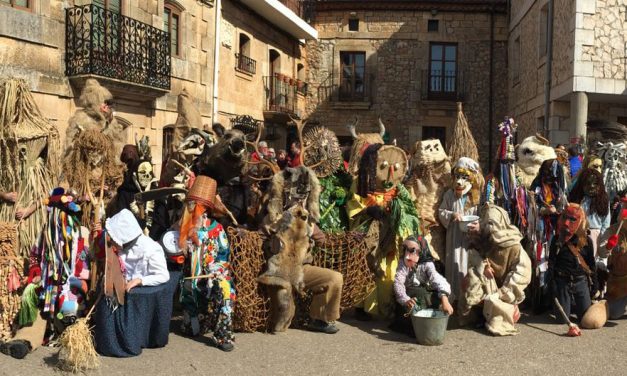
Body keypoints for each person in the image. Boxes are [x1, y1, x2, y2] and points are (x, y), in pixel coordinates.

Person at [178, 176, 236, 351]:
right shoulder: (182, 229)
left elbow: (224, 256)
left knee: (226, 288)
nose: (190, 212)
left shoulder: (217, 229)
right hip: (191, 278)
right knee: (191, 329)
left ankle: (223, 335)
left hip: (213, 275)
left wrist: (216, 270)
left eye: (194, 209)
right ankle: (200, 319)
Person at [461, 204, 532, 335]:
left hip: (506, 289)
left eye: (492, 223)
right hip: (489, 282)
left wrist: (503, 292)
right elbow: (474, 258)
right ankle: (480, 314)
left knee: (498, 313)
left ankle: (503, 313)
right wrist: (483, 266)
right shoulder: (484, 240)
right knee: (472, 277)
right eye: (487, 223)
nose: (490, 227)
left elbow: (522, 272)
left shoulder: (514, 246)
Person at [438, 157, 483, 300]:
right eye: (457, 177)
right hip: (454, 237)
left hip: (470, 239)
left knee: (467, 265)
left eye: (464, 178)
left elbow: (483, 216)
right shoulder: (449, 195)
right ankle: (452, 298)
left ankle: (466, 298)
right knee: (453, 264)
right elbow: (441, 211)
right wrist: (451, 215)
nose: (459, 181)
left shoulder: (476, 198)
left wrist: (478, 225)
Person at [392, 236, 453, 333]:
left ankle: (428, 324)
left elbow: (438, 280)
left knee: (427, 294)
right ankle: (411, 326)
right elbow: (398, 282)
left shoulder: (427, 265)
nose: (407, 255)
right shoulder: (403, 264)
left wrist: (444, 300)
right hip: (409, 297)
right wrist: (406, 299)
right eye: (406, 250)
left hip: (424, 295)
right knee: (417, 294)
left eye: (412, 251)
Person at [549, 203, 597, 323]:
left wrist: (595, 283)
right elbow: (552, 262)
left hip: (580, 280)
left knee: (585, 319)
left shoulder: (586, 241)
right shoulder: (557, 239)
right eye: (565, 217)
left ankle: (574, 304)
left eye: (572, 219)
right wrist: (552, 282)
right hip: (562, 281)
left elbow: (591, 263)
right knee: (562, 320)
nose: (566, 223)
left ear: (580, 221)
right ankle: (565, 303)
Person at [105, 208, 170, 290]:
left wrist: (140, 280)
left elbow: (163, 276)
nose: (112, 240)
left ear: (123, 235)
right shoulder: (123, 247)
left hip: (143, 295)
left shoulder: (152, 249)